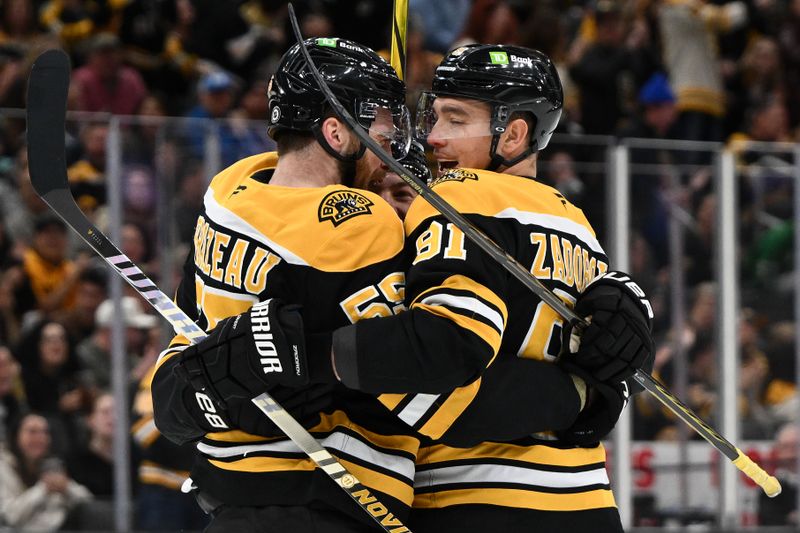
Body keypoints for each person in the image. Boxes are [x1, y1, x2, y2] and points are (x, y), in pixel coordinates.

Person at [244, 44, 654, 532]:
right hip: (588, 502)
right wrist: (589, 397)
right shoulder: (576, 222)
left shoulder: (456, 197)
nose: (434, 138)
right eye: (434, 117)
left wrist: (300, 359)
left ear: (515, 133)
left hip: (476, 501)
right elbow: (614, 372)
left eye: (456, 121)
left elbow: (435, 380)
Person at [151, 38, 421, 532]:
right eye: (384, 128)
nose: (397, 148)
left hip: (227, 493)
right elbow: (413, 365)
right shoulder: (365, 223)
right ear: (336, 132)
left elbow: (184, 343)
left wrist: (193, 394)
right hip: (326, 493)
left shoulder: (230, 192)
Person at [0, 413, 92, 531]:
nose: (41, 438)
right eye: (32, 432)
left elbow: (89, 504)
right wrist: (43, 489)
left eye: (45, 432)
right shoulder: (3, 468)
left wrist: (67, 488)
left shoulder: (52, 465)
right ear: (15, 436)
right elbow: (10, 516)